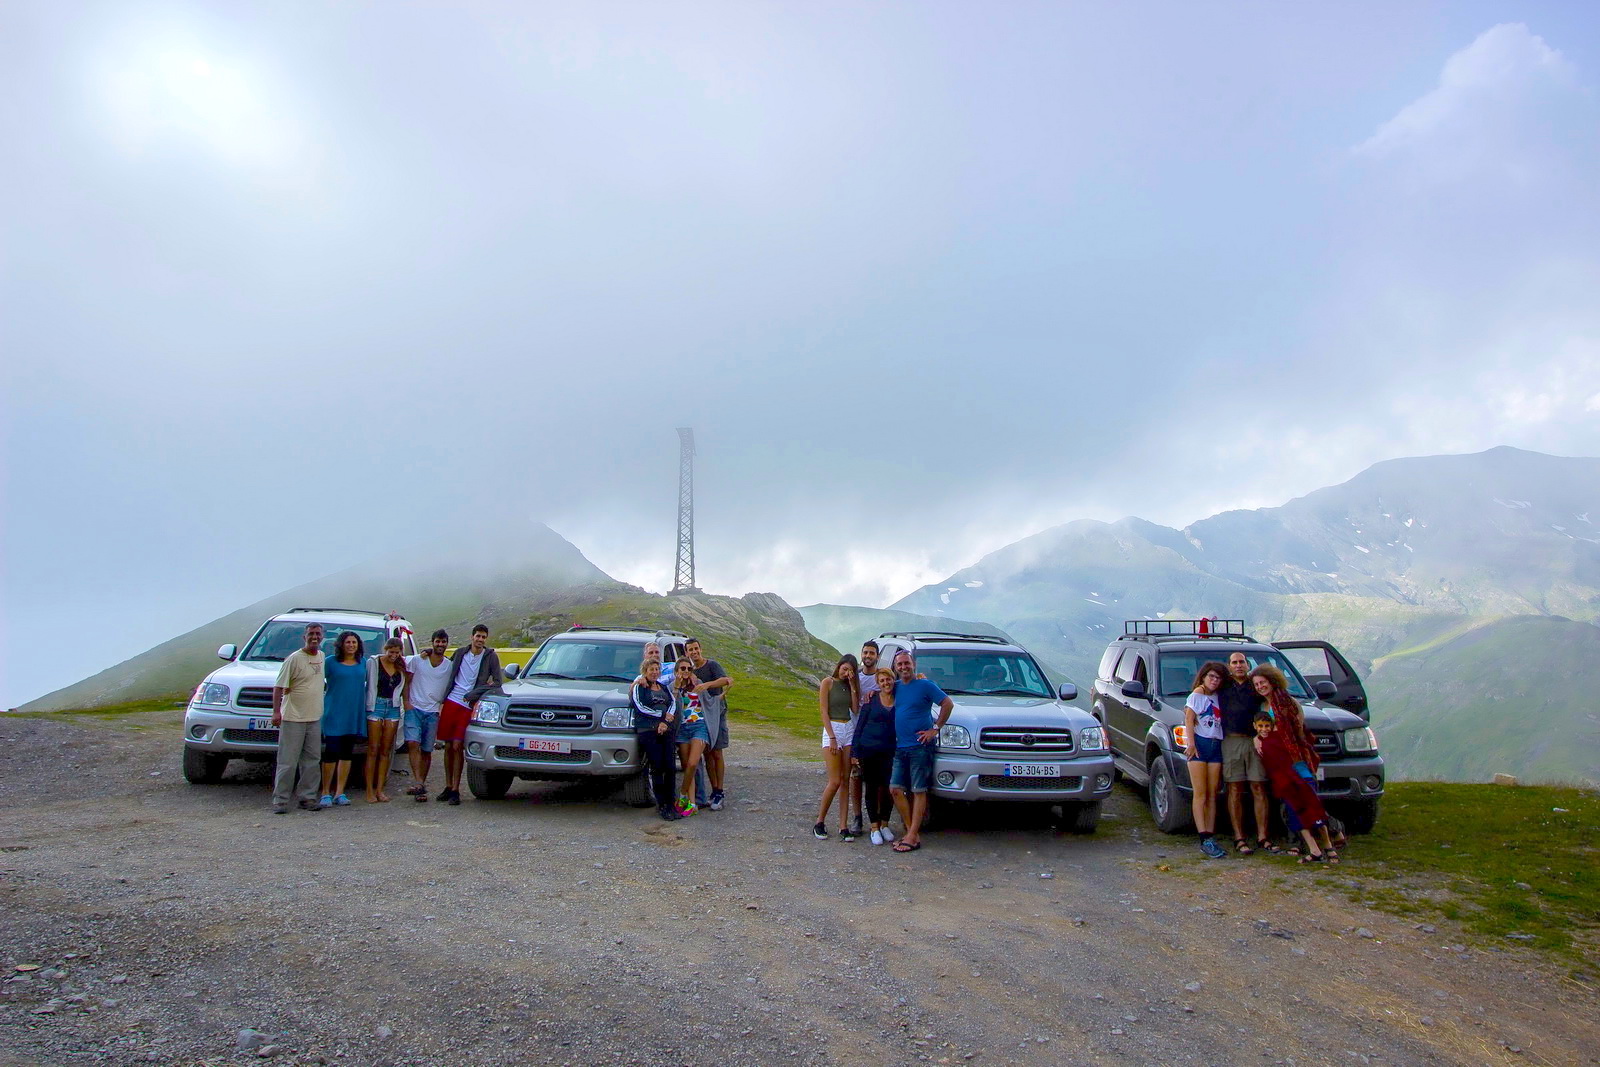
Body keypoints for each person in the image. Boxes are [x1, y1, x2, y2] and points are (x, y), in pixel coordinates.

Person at [1250, 665, 1341, 860]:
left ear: (1272, 681)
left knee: (1309, 798)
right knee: (1292, 803)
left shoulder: (1288, 703)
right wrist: (1257, 739)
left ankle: (1327, 842)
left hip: (1295, 759)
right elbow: (1262, 731)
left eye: (1262, 682)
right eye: (1256, 684)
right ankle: (1314, 847)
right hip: (1276, 763)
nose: (1260, 687)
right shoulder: (1263, 707)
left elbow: (1298, 731)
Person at [887, 650, 953, 854]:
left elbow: (947, 703)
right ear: (896, 668)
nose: (904, 667)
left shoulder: (925, 685)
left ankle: (912, 834)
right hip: (900, 747)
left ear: (913, 664)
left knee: (918, 790)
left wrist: (936, 729)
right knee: (896, 789)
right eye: (900, 665)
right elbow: (881, 690)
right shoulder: (896, 687)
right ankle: (912, 832)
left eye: (906, 663)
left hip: (920, 746)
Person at [1252, 712, 1336, 863]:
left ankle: (1329, 847)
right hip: (1285, 783)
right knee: (1297, 815)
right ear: (1255, 726)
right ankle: (1315, 850)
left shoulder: (1281, 738)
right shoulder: (1261, 743)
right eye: (1260, 726)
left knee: (1315, 812)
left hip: (1300, 777)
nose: (1264, 729)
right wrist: (1257, 739)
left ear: (1273, 726)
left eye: (1267, 726)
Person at [437, 624, 503, 806]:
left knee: (458, 745)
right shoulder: (460, 653)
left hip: (468, 705)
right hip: (452, 701)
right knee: (448, 745)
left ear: (486, 639)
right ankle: (448, 786)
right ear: (471, 637)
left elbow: (497, 682)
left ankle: (456, 789)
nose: (480, 640)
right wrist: (428, 653)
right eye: (478, 636)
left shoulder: (490, 657)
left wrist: (476, 693)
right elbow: (444, 665)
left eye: (483, 637)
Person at [269, 623, 326, 814]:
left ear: (323, 636)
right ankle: (281, 800)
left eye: (318, 634)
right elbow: (278, 687)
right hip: (293, 717)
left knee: (312, 760)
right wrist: (276, 712)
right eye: (311, 634)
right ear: (304, 637)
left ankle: (308, 798)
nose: (314, 637)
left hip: (314, 717)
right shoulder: (293, 659)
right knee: (288, 760)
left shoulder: (321, 656)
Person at [1218, 650, 1270, 855]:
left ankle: (1263, 836)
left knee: (1259, 787)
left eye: (1242, 662)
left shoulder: (1256, 686)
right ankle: (1239, 837)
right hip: (1231, 741)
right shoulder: (1222, 686)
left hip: (1254, 741)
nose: (1239, 665)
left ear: (1248, 665)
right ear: (1229, 666)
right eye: (1234, 662)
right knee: (1234, 788)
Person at [812, 655, 861, 840]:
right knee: (835, 781)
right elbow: (823, 710)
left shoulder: (850, 686)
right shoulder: (828, 682)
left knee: (846, 780)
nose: (846, 672)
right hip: (833, 729)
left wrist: (854, 686)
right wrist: (832, 736)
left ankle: (843, 826)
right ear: (839, 666)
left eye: (850, 670)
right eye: (844, 668)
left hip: (848, 728)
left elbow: (855, 709)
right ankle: (819, 821)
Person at [1183, 662, 1228, 859]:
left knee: (1212, 793)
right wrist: (1191, 744)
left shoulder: (1218, 697)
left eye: (1218, 678)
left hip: (1215, 745)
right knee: (1200, 793)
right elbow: (1189, 720)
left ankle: (1211, 834)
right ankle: (1203, 837)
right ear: (1203, 677)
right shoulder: (1196, 696)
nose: (1214, 681)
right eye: (1211, 676)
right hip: (1200, 745)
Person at [319, 631, 368, 807]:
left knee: (347, 753)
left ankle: (340, 792)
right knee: (331, 753)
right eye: (347, 642)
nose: (351, 645)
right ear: (341, 644)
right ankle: (325, 792)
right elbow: (316, 680)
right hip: (333, 712)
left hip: (353, 713)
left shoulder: (363, 662)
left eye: (354, 642)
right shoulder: (330, 662)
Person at [403, 629, 452, 802]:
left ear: (447, 643)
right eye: (437, 641)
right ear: (432, 642)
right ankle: (417, 781)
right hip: (414, 708)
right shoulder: (418, 660)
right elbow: (406, 679)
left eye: (443, 641)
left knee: (426, 750)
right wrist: (406, 702)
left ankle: (421, 785)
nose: (440, 644)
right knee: (412, 743)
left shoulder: (449, 665)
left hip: (433, 711)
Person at [852, 667, 899, 845]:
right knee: (871, 788)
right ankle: (874, 827)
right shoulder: (871, 701)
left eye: (888, 680)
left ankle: (885, 824)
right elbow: (860, 726)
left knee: (888, 788)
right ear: (878, 684)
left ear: (893, 680)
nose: (886, 683)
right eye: (882, 681)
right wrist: (854, 752)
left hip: (890, 751)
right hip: (869, 750)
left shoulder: (899, 700)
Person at [686, 638, 733, 811]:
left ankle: (719, 791)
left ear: (700, 649)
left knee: (717, 752)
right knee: (707, 754)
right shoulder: (690, 671)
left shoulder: (712, 665)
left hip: (717, 713)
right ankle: (714, 790)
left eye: (696, 649)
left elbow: (726, 680)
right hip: (702, 715)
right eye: (690, 650)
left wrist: (706, 685)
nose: (694, 652)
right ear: (687, 653)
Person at [630, 658, 680, 821]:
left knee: (670, 767)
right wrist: (661, 717)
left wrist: (665, 722)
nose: (654, 672)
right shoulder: (640, 687)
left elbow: (672, 704)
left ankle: (671, 803)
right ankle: (662, 804)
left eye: (657, 669)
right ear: (645, 671)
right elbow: (640, 707)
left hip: (666, 729)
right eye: (651, 669)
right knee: (657, 766)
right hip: (648, 730)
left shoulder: (664, 688)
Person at [363, 637, 409, 803]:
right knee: (373, 749)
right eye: (391, 652)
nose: (394, 655)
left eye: (397, 653)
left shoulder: (402, 665)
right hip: (376, 705)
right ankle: (369, 790)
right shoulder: (373, 662)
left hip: (393, 707)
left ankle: (380, 789)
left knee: (386, 750)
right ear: (385, 650)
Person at [848, 641, 882, 835]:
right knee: (856, 776)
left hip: (875, 734)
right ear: (861, 654)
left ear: (877, 656)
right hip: (855, 732)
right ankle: (857, 817)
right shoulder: (856, 677)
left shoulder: (881, 677)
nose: (868, 656)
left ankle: (875, 819)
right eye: (865, 652)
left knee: (875, 779)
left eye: (871, 653)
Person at [672, 658, 709, 816]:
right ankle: (692, 804)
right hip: (682, 729)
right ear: (677, 671)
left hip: (699, 726)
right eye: (682, 668)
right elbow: (671, 704)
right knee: (687, 765)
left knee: (693, 763)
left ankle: (682, 794)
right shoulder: (673, 687)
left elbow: (710, 700)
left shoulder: (698, 683)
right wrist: (676, 687)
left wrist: (726, 690)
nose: (686, 671)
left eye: (688, 668)